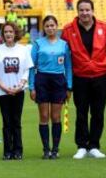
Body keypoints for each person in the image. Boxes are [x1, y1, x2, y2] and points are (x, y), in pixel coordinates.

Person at [61, 0, 106, 159]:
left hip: (100, 77)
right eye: (82, 10)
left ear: (92, 10)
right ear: (77, 11)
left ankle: (94, 146)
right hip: (80, 77)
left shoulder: (104, 28)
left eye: (87, 10)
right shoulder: (68, 30)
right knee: (81, 112)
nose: (85, 13)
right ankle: (82, 146)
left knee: (98, 113)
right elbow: (62, 54)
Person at [0, 22, 33, 160]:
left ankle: (18, 151)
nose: (8, 34)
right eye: (6, 32)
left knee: (16, 121)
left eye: (11, 32)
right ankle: (7, 151)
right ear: (2, 34)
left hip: (18, 91)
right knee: (6, 122)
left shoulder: (23, 50)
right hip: (3, 92)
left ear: (15, 33)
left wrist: (20, 85)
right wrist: (4, 87)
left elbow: (26, 70)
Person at [29, 15, 72, 159]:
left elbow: (68, 67)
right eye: (47, 26)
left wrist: (69, 86)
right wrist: (31, 87)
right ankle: (46, 149)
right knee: (44, 116)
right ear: (44, 28)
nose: (50, 28)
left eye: (52, 25)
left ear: (57, 26)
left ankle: (55, 149)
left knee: (55, 116)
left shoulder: (64, 45)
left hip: (59, 81)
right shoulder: (38, 44)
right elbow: (31, 67)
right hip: (42, 80)